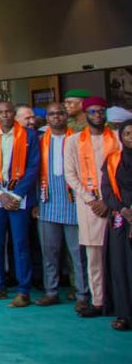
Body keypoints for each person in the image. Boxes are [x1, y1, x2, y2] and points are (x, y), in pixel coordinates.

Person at [0, 101, 41, 308]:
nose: (5, 115)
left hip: (18, 197)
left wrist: (16, 194)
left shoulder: (28, 135)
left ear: (13, 114)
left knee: (20, 243)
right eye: (1, 112)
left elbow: (33, 166)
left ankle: (24, 290)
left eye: (8, 112)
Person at [64, 96, 120, 318]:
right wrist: (91, 200)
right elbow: (71, 175)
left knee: (119, 255)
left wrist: (109, 201)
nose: (98, 115)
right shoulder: (74, 141)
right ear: (85, 114)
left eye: (101, 111)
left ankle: (120, 299)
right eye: (93, 111)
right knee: (94, 256)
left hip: (115, 205)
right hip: (89, 206)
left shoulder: (117, 138)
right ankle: (98, 301)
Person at [35, 102, 87, 308]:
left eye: (60, 114)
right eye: (52, 114)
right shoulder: (40, 141)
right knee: (49, 252)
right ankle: (51, 292)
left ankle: (82, 295)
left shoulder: (78, 139)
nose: (56, 117)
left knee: (77, 254)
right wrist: (35, 203)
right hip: (47, 204)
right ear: (47, 118)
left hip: (73, 205)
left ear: (67, 116)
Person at [101, 119, 132, 331]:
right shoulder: (113, 160)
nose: (131, 137)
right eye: (128, 133)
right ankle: (124, 314)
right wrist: (122, 209)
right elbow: (107, 191)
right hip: (121, 219)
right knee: (121, 267)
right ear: (121, 137)